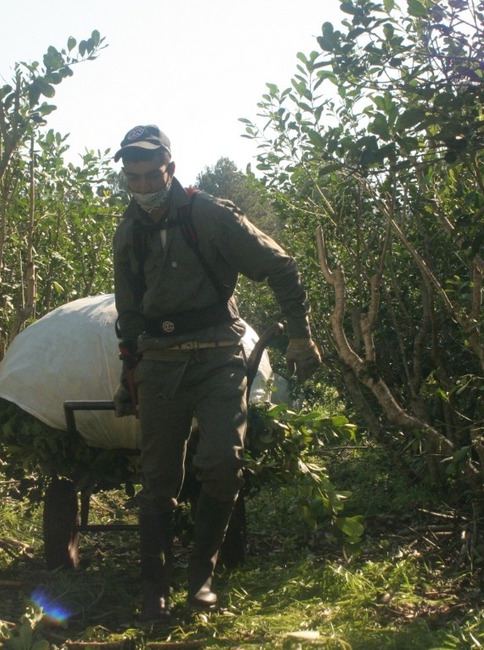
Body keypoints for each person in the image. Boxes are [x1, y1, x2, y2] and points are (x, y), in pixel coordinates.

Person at [110, 124, 322, 622]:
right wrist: (128, 374)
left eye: (150, 175)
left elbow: (281, 266)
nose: (142, 187)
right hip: (160, 362)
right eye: (132, 178)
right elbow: (130, 312)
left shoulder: (208, 215)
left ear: (171, 169)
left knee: (223, 463)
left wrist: (300, 334)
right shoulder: (130, 230)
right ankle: (154, 589)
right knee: (159, 478)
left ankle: (200, 578)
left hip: (217, 357)